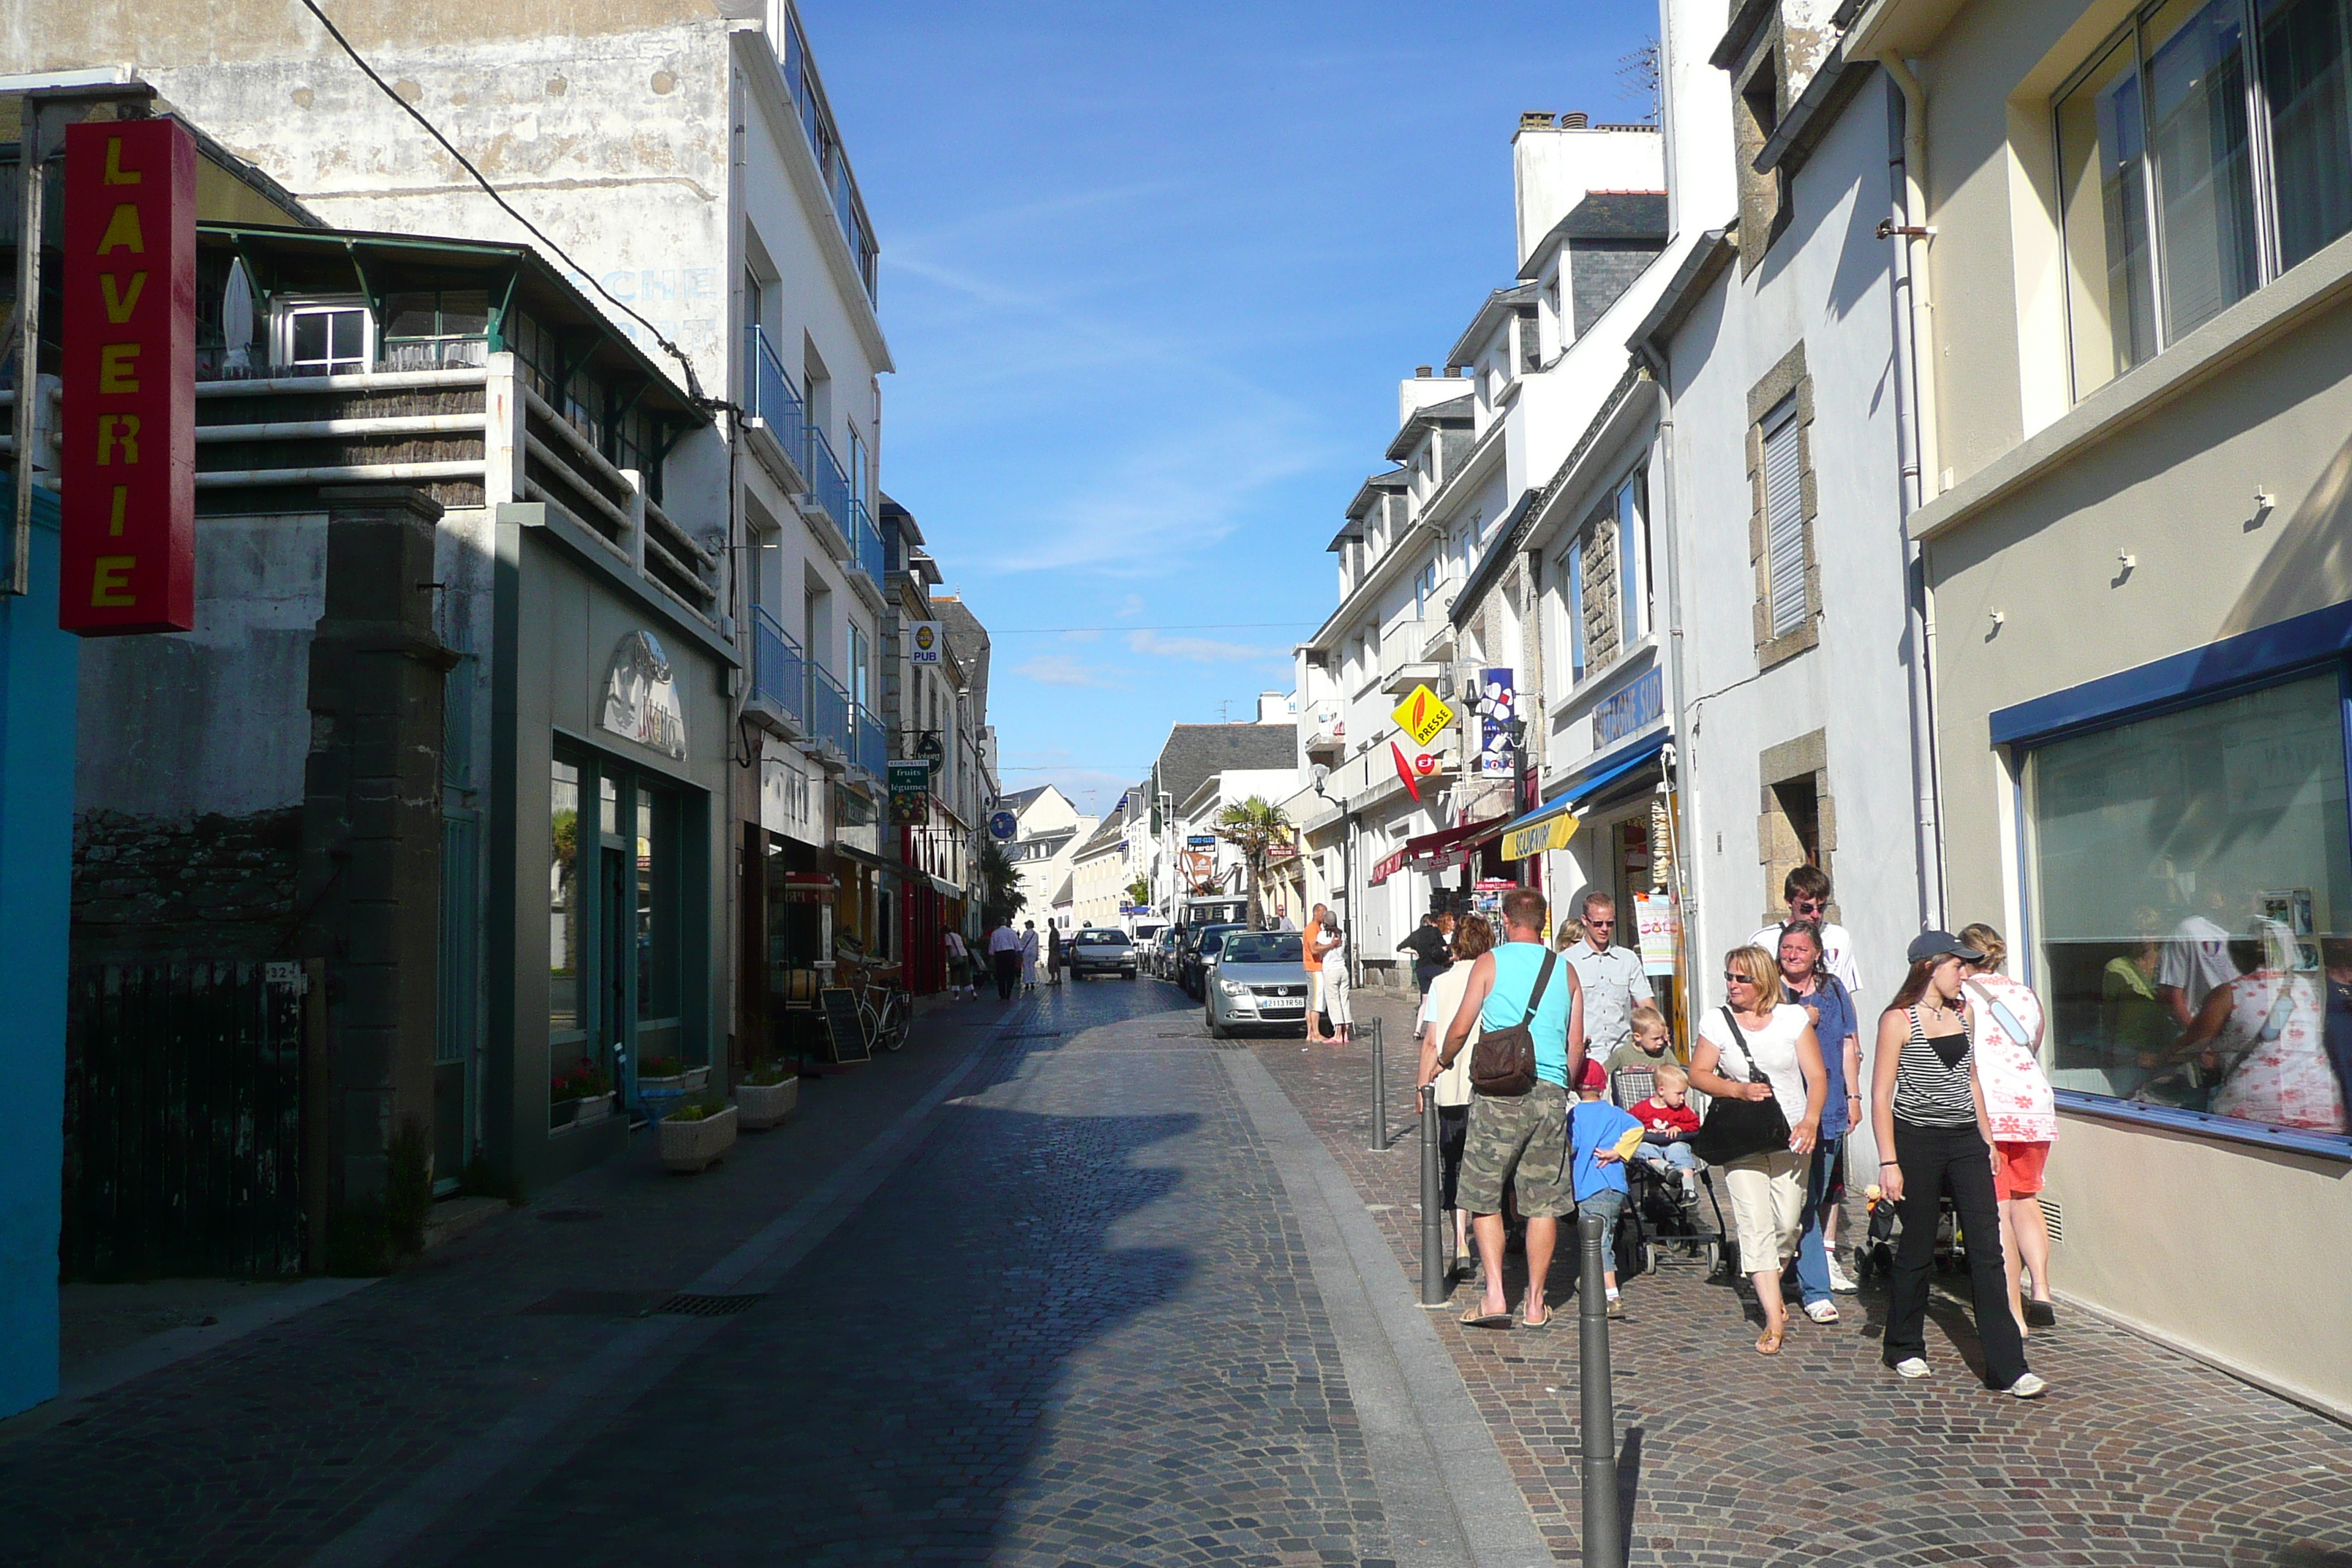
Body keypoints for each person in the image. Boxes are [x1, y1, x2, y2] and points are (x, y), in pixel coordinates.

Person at [1871, 930, 2043, 1397]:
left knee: (1988, 1250)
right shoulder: (1897, 1020)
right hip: (1916, 1141)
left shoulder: (1963, 1012)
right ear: (1930, 966)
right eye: (1957, 966)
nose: (1965, 974)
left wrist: (1986, 1139)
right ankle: (1904, 1345)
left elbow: (1971, 1078)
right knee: (1918, 1247)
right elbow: (1882, 1096)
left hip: (1966, 1138)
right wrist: (1889, 1161)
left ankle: (2008, 1367)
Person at [1437, 886, 1586, 1330]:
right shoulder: (1567, 971)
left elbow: (1462, 1026)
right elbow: (1575, 1043)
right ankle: (1537, 1303)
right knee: (1543, 1201)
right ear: (1543, 921)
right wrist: (1564, 1084)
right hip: (1549, 1091)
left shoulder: (1490, 963)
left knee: (1484, 1193)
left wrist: (1444, 1059)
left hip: (1500, 1090)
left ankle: (1496, 1294)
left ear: (1506, 919)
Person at [1689, 944, 1827, 1356]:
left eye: (1740, 978)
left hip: (1791, 1134)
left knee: (1786, 1223)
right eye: (1729, 977)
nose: (1732, 985)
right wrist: (1736, 1089)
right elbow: (1697, 1073)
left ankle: (1769, 1275)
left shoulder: (1791, 1019)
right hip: (1742, 1137)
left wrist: (1812, 1120)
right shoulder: (1717, 1020)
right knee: (1753, 1224)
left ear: (1761, 981)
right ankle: (1772, 1315)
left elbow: (1817, 1076)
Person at [1956, 923, 2061, 1333]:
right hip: (2035, 1106)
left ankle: (2012, 1311)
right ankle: (2042, 1290)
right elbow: (2033, 1044)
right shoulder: (2026, 994)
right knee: (2027, 1198)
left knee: (1997, 1210)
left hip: (1993, 1110)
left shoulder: (1962, 996)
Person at [2174, 921, 2345, 1134]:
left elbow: (2191, 1045)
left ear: (2237, 954)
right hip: (2322, 1111)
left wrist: (2154, 1059)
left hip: (2252, 1113)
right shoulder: (2310, 988)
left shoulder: (2229, 993)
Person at [1779, 921, 1862, 1307]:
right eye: (1786, 948)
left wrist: (1855, 1096)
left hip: (1828, 1108)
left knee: (1813, 1197)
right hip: (1781, 1110)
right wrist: (1796, 1020)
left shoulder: (1833, 990)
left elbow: (1848, 1044)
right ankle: (1801, 1279)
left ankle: (1808, 1282)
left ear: (1817, 954)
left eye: (1800, 949)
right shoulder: (1770, 990)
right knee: (1790, 1201)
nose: (1792, 955)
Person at [1415, 912, 1496, 1273]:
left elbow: (1432, 1041)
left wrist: (1422, 1088)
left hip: (1449, 1088)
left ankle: (1461, 1243)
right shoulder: (1495, 979)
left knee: (1454, 1165)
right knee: (1489, 1165)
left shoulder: (1442, 984)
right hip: (1489, 1086)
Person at [1569, 1056, 1646, 1319]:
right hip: (1615, 1185)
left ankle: (1612, 1295)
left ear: (1577, 1087)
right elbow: (1638, 1128)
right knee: (1604, 1236)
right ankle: (1589, 1280)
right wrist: (1619, 1153)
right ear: (1602, 1086)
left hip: (1590, 1185)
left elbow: (1574, 1146)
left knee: (1598, 1242)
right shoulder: (1615, 1113)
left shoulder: (1576, 1115)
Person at [1562, 892, 1654, 1071]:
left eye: (1609, 923)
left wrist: (1657, 1029)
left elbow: (1646, 1004)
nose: (1604, 929)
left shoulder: (1628, 959)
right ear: (1584, 920)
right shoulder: (1566, 961)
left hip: (1623, 1058)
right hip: (1585, 1059)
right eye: (1598, 923)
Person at [1748, 864, 1861, 997]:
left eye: (1821, 908)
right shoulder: (1764, 941)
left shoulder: (1839, 937)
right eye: (1807, 908)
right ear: (1789, 902)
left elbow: (1845, 994)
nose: (1815, 915)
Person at [2158, 889, 2240, 1028]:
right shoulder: (2189, 930)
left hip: (2251, 1035)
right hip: (2205, 1030)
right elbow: (2172, 993)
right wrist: (2198, 1039)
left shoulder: (2261, 931)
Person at [1627, 1062, 1703, 1197]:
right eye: (1679, 1094)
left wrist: (1679, 1127)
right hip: (1651, 1145)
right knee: (1641, 1148)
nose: (1682, 1098)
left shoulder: (1681, 1109)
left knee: (1679, 1149)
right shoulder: (1642, 1109)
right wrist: (1644, 1130)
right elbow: (1627, 1122)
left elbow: (1695, 1124)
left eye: (1684, 1093)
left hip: (1672, 1144)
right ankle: (1667, 1169)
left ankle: (1689, 1190)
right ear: (1661, 1091)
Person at [1604, 1005, 1676, 1088]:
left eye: (1662, 1037)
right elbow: (1604, 1072)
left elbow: (1677, 1073)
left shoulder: (1664, 1052)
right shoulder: (1622, 1054)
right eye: (1656, 1039)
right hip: (1629, 1097)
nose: (1660, 1042)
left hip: (1656, 1098)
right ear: (1638, 1037)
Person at [1398, 911, 1452, 997]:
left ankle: (1423, 1011)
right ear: (1433, 922)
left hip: (1421, 968)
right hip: (1434, 967)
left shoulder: (1416, 934)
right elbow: (1444, 947)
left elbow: (1400, 948)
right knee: (1438, 996)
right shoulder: (1434, 931)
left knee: (1425, 999)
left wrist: (1414, 951)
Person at [1319, 918, 1354, 1045]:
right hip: (1343, 970)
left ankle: (1338, 1034)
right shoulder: (1342, 934)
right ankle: (1346, 1034)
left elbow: (1317, 949)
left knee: (1334, 1001)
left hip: (1330, 971)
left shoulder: (1323, 935)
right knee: (1344, 1001)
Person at [1303, 902, 1332, 1044]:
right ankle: (1315, 1033)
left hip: (1315, 967)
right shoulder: (1312, 929)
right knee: (1316, 1002)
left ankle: (1310, 1033)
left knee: (1312, 1001)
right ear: (1316, 913)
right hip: (1315, 967)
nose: (1324, 916)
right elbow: (1314, 949)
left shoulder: (1318, 928)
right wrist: (1330, 946)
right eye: (1323, 913)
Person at [987, 920, 1022, 1001]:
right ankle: (1008, 993)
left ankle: (1002, 994)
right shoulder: (1011, 932)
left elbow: (992, 945)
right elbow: (1017, 944)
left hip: (999, 954)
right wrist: (1019, 953)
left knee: (1000, 974)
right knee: (1010, 974)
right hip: (1010, 953)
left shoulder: (995, 933)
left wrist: (991, 954)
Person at [943, 926, 971, 1000]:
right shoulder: (957, 935)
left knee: (955, 975)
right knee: (966, 974)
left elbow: (949, 947)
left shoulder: (947, 936)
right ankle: (973, 993)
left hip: (956, 957)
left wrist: (949, 958)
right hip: (964, 955)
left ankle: (956, 995)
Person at [1018, 921, 1040, 992]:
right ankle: (1033, 981)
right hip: (1033, 951)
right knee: (1032, 966)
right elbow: (1037, 945)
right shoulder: (1036, 934)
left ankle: (1027, 982)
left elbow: (1022, 943)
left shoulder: (1025, 933)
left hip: (1026, 951)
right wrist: (1037, 954)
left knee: (1026, 966)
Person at [1044, 923, 1063, 987]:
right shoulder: (1056, 931)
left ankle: (1053, 979)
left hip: (1053, 951)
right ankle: (1058, 978)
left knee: (1052, 965)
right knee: (1057, 965)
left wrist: (1052, 949)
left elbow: (1054, 941)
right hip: (1056, 951)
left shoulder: (1053, 932)